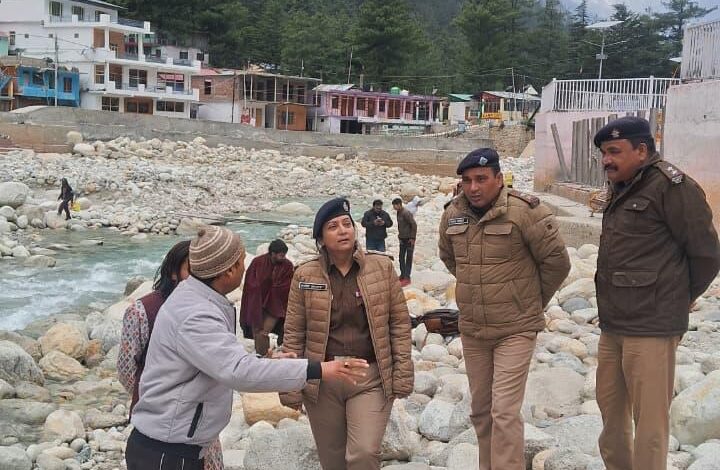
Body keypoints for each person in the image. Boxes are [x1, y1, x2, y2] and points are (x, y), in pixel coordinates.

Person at [126, 226, 369, 470]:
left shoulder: (197, 298)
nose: (244, 267)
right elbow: (239, 371)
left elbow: (220, 359)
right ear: (229, 270)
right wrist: (319, 369)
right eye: (241, 260)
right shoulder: (195, 314)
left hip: (177, 444)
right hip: (168, 452)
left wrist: (268, 362)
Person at [593, 116, 720, 470]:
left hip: (652, 327)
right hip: (613, 325)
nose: (606, 160)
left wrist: (679, 298)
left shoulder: (672, 187)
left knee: (649, 426)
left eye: (614, 151)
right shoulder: (621, 187)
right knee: (611, 418)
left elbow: (707, 255)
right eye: (604, 153)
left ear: (642, 150)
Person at [438, 148, 570, 470]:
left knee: (505, 412)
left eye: (481, 179)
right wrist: (479, 290)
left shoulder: (525, 212)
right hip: (474, 330)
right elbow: (450, 258)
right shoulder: (452, 214)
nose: (473, 187)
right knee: (481, 411)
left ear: (499, 179)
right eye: (467, 180)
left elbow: (557, 263)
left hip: (516, 330)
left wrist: (527, 301)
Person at [281, 197, 414, 470]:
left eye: (346, 224)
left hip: (370, 378)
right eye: (333, 227)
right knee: (332, 460)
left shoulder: (381, 268)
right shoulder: (305, 275)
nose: (342, 231)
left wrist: (402, 374)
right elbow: (294, 333)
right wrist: (290, 386)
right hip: (322, 380)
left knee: (363, 453)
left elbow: (399, 325)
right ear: (320, 238)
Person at [118, 241, 226, 470]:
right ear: (173, 272)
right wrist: (158, 397)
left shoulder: (213, 307)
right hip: (160, 428)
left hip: (202, 428)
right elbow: (127, 370)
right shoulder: (141, 312)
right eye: (192, 270)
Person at [239, 239, 295, 356]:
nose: (283, 257)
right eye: (281, 255)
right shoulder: (258, 262)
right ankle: (262, 355)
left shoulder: (287, 266)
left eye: (284, 255)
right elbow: (250, 283)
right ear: (273, 253)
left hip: (275, 306)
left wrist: (274, 288)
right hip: (258, 304)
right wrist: (258, 292)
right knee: (257, 332)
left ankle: (270, 354)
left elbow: (287, 286)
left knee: (264, 332)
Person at [392, 198, 417, 286]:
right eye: (393, 206)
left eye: (395, 205)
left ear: (399, 204)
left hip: (409, 239)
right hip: (402, 238)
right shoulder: (398, 212)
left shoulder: (406, 213)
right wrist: (399, 236)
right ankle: (403, 274)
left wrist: (413, 238)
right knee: (401, 257)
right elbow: (400, 226)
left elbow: (413, 224)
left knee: (408, 258)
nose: (394, 207)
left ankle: (407, 277)